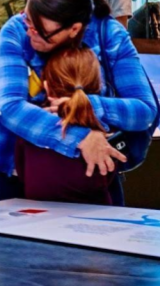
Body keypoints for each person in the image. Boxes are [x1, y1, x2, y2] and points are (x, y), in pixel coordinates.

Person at [0, 0, 158, 205]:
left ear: (74, 29)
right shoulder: (16, 31)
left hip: (91, 170)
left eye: (40, 31)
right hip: (22, 171)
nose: (29, 32)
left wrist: (87, 105)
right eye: (28, 21)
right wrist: (80, 137)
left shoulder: (109, 34)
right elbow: (10, 107)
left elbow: (143, 110)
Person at [14, 47, 115, 204]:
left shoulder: (29, 129)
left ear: (47, 87)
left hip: (39, 222)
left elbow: (21, 174)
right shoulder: (107, 131)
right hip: (97, 219)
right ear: (99, 86)